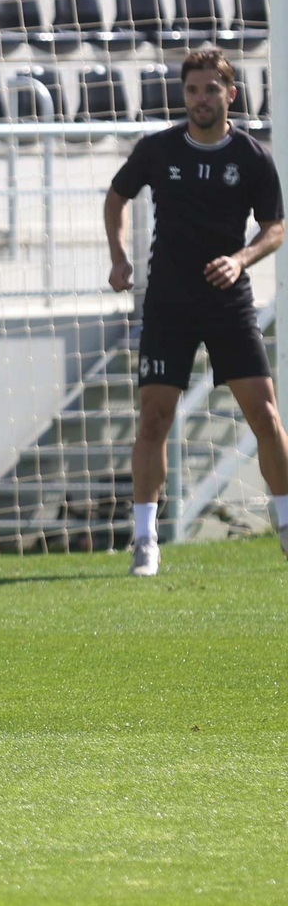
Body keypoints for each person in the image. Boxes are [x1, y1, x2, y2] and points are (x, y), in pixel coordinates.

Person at [105, 47, 288, 576]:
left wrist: (242, 258)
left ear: (230, 94)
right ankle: (145, 540)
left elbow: (275, 225)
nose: (200, 99)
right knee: (154, 419)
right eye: (192, 90)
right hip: (169, 303)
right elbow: (116, 198)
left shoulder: (252, 157)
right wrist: (119, 259)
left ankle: (285, 523)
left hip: (228, 304)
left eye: (211, 89)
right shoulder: (159, 149)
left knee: (266, 415)